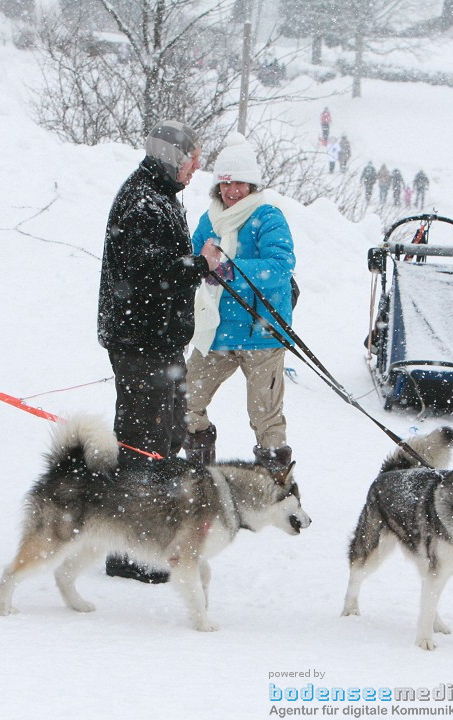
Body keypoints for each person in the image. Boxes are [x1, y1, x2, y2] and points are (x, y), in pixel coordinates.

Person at [97, 120, 219, 583]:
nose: (197, 168)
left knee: (167, 438)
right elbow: (150, 275)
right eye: (192, 159)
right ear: (173, 159)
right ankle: (126, 549)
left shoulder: (160, 196)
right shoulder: (142, 201)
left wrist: (196, 266)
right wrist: (198, 264)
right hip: (139, 343)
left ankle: (149, 539)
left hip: (160, 342)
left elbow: (162, 269)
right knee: (140, 443)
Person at [184, 132, 296, 472]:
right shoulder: (209, 220)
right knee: (186, 402)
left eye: (240, 184)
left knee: (266, 418)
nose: (232, 191)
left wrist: (230, 269)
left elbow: (281, 267)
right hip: (216, 330)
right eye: (226, 184)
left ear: (253, 185)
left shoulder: (268, 217)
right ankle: (201, 475)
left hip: (261, 332)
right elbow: (195, 260)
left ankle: (275, 487)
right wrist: (200, 268)